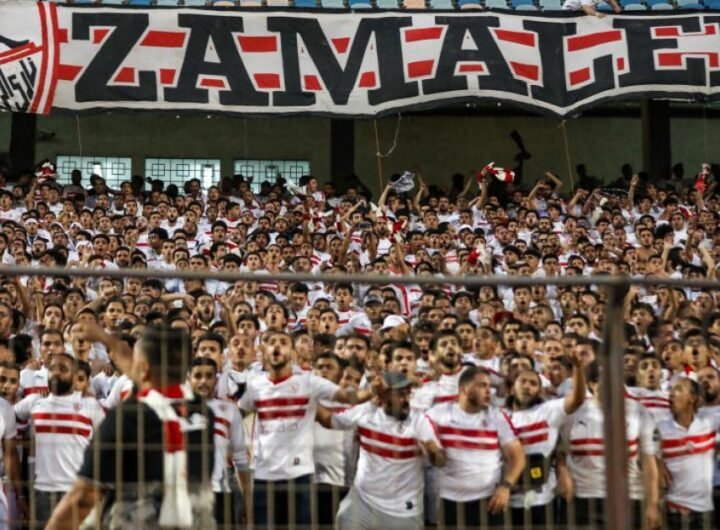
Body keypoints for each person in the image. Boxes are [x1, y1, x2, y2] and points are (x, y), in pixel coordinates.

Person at [45, 324, 216, 529]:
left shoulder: (126, 418)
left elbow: (82, 499)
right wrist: (107, 339)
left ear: (143, 368)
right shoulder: (204, 413)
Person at [238, 330, 379, 529]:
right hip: (264, 477)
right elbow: (238, 414)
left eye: (283, 342)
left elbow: (348, 398)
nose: (277, 346)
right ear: (264, 350)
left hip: (300, 478)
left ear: (292, 352)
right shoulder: (255, 386)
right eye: (272, 342)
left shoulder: (308, 382)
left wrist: (375, 390)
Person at [317, 371, 445, 530]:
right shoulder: (366, 412)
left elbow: (441, 461)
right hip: (362, 501)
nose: (405, 400)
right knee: (343, 518)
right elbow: (329, 420)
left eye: (407, 393)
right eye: (399, 395)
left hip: (402, 511)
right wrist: (307, 401)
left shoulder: (420, 421)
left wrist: (434, 452)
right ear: (383, 396)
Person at [558, 361, 660, 529]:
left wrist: (652, 504)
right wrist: (562, 472)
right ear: (591, 384)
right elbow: (559, 451)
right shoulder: (573, 413)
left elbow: (649, 463)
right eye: (600, 378)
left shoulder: (639, 412)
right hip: (582, 499)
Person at [426, 366, 526, 528]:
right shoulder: (439, 414)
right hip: (450, 502)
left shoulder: (497, 416)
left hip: (490, 501)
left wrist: (506, 486)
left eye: (490, 386)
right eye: (482, 385)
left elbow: (518, 456)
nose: (488, 391)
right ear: (463, 389)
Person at [14, 352, 105, 529]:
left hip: (79, 492)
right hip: (43, 493)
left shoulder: (90, 406)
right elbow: (8, 415)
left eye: (63, 369)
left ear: (74, 375)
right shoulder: (34, 403)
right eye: (52, 369)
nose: (55, 373)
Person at [505, 347, 586, 526]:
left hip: (542, 501)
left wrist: (578, 369)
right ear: (511, 389)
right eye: (523, 382)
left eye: (533, 384)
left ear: (540, 391)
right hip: (507, 501)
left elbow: (577, 399)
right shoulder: (499, 417)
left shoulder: (549, 410)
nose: (527, 386)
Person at [188, 356, 250, 528]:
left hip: (220, 493)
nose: (203, 381)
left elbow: (240, 458)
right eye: (198, 376)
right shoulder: (177, 409)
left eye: (209, 376)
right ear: (189, 379)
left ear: (216, 380)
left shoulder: (229, 410)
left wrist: (247, 500)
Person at [657, 377, 719, 529]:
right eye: (670, 390)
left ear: (692, 398)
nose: (671, 394)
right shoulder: (660, 429)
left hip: (705, 513)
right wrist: (657, 463)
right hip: (674, 513)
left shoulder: (709, 424)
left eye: (678, 389)